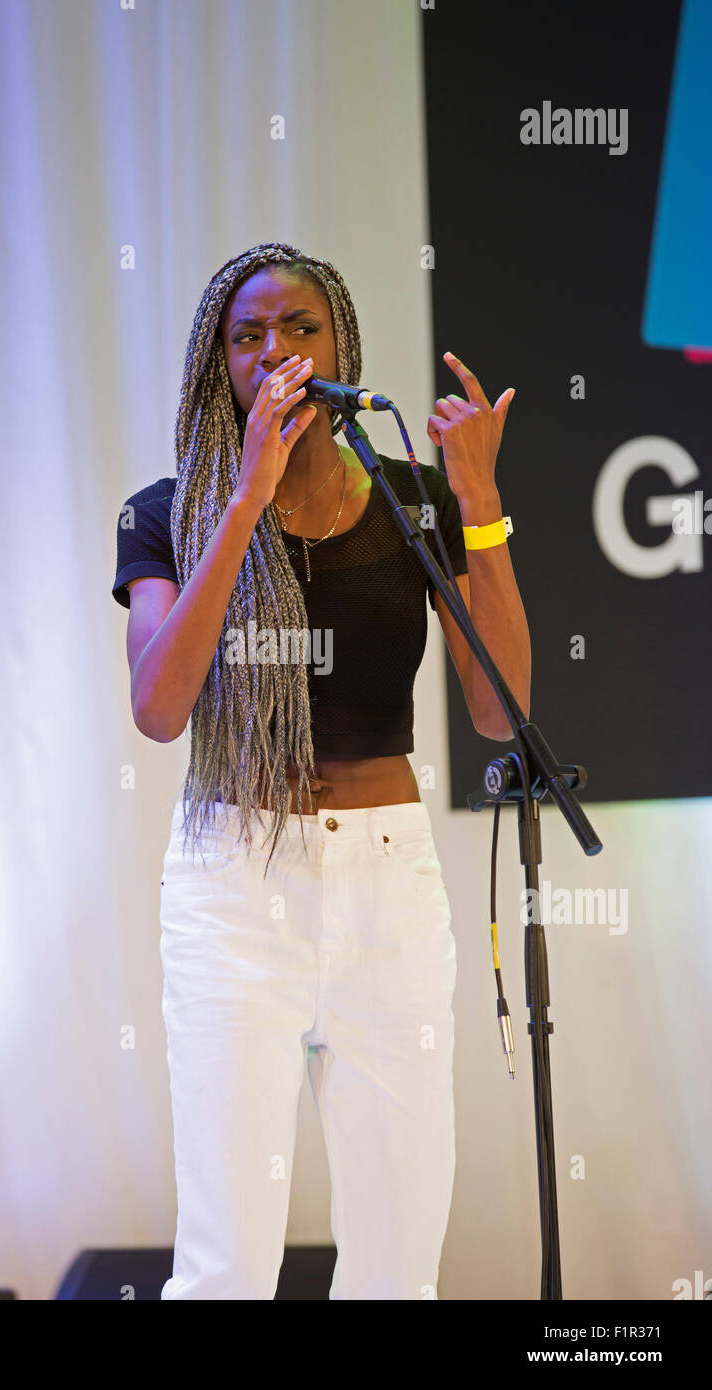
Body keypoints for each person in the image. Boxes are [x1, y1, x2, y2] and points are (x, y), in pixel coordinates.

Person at [112, 241, 531, 1299]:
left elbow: (498, 712)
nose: (275, 351)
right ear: (220, 367)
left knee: (396, 1260)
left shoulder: (408, 498)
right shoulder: (167, 512)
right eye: (246, 336)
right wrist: (244, 498)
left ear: (340, 345)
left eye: (299, 327)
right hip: (234, 884)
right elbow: (160, 706)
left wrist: (476, 504)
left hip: (386, 882)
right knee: (227, 1262)